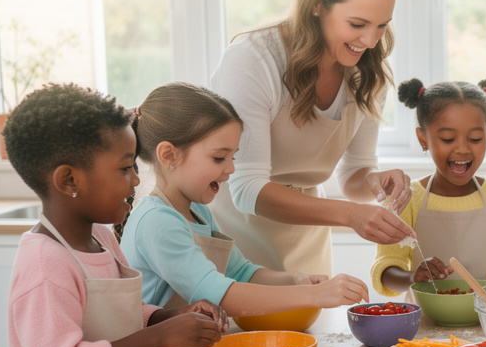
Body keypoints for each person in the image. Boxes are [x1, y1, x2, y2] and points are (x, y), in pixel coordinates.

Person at [0, 83, 227, 347]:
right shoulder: (45, 263)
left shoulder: (101, 238)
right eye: (124, 168)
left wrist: (166, 316)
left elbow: (120, 310)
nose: (137, 180)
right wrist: (158, 338)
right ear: (69, 180)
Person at [209, 0, 414, 278]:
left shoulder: (368, 74)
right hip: (235, 231)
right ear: (317, 4)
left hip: (306, 235)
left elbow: (353, 176)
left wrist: (375, 182)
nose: (370, 41)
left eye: (382, 26)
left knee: (312, 328)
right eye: (357, 24)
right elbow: (247, 189)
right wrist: (349, 215)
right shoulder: (254, 59)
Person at [120, 82, 370, 314]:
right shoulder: (157, 221)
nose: (230, 169)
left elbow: (241, 272)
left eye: (233, 157)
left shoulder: (197, 210)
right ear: (169, 155)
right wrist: (315, 295)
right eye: (219, 157)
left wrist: (296, 280)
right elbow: (216, 293)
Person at [371, 78, 486, 296]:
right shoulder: (405, 197)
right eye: (448, 139)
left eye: (475, 139)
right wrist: (413, 277)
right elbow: (386, 269)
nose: (463, 149)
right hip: (423, 326)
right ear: (423, 139)